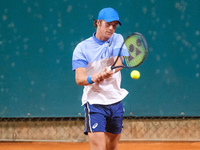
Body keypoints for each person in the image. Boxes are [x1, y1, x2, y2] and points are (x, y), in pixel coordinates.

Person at [72, 7, 128, 150]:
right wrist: (93, 78)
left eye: (114, 25)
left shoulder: (118, 38)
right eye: (107, 24)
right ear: (97, 23)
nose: (111, 28)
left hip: (115, 102)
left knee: (111, 148)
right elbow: (79, 79)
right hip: (95, 103)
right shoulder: (82, 48)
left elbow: (119, 62)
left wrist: (110, 71)